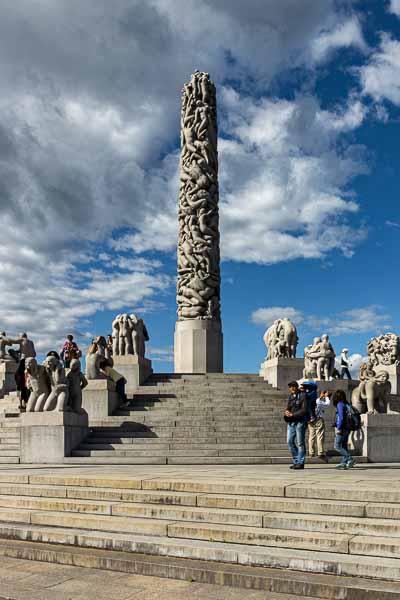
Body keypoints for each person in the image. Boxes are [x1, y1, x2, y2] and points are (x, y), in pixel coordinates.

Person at [284, 381, 308, 470]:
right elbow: (288, 407)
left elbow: (304, 409)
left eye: (293, 386)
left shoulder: (303, 395)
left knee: (300, 443)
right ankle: (296, 461)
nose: (292, 388)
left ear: (297, 387)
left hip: (300, 421)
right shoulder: (291, 396)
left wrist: (293, 414)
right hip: (291, 422)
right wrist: (286, 411)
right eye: (290, 387)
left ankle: (300, 462)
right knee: (289, 441)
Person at [333, 389, 355, 469]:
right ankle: (344, 463)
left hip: (342, 428)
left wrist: (339, 428)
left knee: (337, 446)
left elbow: (341, 418)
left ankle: (350, 458)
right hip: (347, 427)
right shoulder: (346, 404)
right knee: (344, 445)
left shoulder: (340, 404)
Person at [308, 389, 330, 462]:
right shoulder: (318, 401)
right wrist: (326, 397)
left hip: (310, 420)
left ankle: (311, 452)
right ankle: (320, 452)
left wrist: (321, 396)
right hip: (318, 419)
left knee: (311, 436)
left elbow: (318, 400)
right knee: (319, 435)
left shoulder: (309, 401)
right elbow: (327, 404)